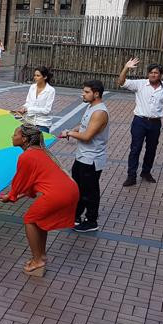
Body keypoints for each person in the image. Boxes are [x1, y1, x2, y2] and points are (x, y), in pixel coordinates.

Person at [0, 124, 79, 274]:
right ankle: (40, 255)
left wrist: (11, 196)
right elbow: (32, 183)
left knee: (30, 219)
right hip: (70, 189)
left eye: (15, 134)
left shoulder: (26, 156)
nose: (12, 136)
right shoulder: (39, 151)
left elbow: (20, 182)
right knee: (38, 220)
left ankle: (38, 260)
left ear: (24, 139)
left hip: (58, 193)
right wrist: (14, 196)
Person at [118, 58, 163, 187]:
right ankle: (131, 176)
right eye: (151, 72)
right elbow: (121, 82)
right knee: (135, 149)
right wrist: (126, 68)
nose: (153, 75)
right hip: (139, 121)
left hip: (155, 123)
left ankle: (146, 172)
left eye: (156, 73)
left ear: (161, 75)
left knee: (151, 149)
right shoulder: (140, 84)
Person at [60, 80, 109, 233]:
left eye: (86, 92)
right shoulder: (91, 107)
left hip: (92, 159)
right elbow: (84, 127)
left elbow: (87, 136)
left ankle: (91, 220)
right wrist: (73, 129)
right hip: (82, 156)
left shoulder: (100, 112)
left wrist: (69, 133)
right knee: (78, 188)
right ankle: (76, 216)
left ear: (96, 94)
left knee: (90, 191)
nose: (83, 94)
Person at [13, 66, 55, 133]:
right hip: (29, 121)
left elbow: (47, 110)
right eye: (34, 75)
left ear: (45, 77)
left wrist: (29, 109)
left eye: (38, 76)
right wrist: (23, 107)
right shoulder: (32, 87)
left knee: (39, 142)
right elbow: (28, 102)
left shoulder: (50, 90)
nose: (35, 77)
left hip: (42, 123)